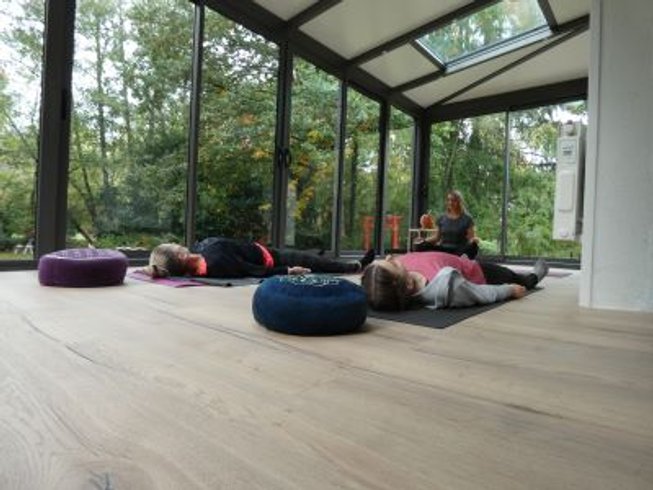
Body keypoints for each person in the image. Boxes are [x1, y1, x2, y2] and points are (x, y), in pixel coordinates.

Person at [361, 251, 549, 311]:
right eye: (392, 263)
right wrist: (509, 290)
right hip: (480, 273)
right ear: (408, 285)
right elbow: (481, 293)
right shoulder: (445, 286)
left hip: (461, 260)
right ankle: (533, 277)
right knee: (516, 278)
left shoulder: (400, 274)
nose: (390, 257)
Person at [142, 236, 376, 279]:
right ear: (180, 255)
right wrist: (287, 271)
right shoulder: (216, 264)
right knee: (312, 262)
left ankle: (344, 263)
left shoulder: (199, 256)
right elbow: (252, 271)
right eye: (174, 245)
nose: (178, 243)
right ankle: (355, 266)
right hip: (270, 259)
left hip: (261, 249)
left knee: (310, 257)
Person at [414, 190, 479, 259]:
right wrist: (424, 241)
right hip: (444, 249)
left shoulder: (467, 219)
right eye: (449, 200)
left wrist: (474, 240)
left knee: (474, 246)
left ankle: (463, 258)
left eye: (453, 200)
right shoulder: (441, 218)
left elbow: (471, 238)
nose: (450, 203)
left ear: (459, 202)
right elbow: (436, 238)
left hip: (459, 249)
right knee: (421, 245)